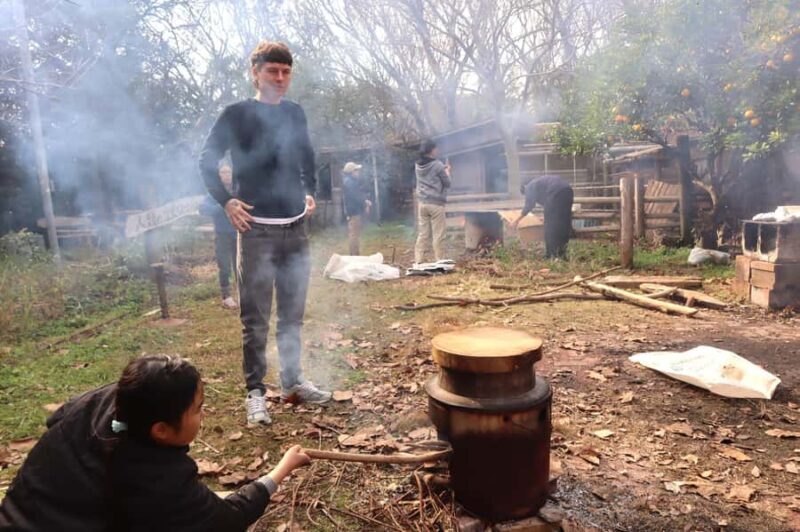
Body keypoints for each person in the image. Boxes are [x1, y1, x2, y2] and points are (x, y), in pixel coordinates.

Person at [0, 355, 311, 532]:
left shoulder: (109, 399)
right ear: (161, 430)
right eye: (199, 408)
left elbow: (55, 421)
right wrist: (280, 471)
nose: (205, 414)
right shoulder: (157, 477)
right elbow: (224, 520)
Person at [199, 41, 331, 426]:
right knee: (255, 318)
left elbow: (307, 157)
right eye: (272, 71)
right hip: (256, 231)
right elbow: (207, 159)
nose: (279, 78)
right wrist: (226, 201)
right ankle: (255, 393)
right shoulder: (236, 114)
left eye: (286, 72)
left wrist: (310, 190)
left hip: (296, 229)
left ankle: (292, 382)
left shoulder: (295, 113)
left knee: (292, 315)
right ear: (255, 72)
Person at [199, 164, 238, 309]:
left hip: (238, 232)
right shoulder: (214, 193)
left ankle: (242, 293)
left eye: (229, 172)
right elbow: (202, 209)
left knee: (239, 265)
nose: (227, 175)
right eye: (223, 172)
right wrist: (222, 206)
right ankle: (226, 296)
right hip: (222, 234)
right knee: (225, 266)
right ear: (219, 176)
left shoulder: (237, 191)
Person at [511, 175, 574, 259]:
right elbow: (551, 206)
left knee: (550, 226)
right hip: (568, 190)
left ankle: (551, 255)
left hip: (555, 192)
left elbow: (529, 205)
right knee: (563, 223)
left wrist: (516, 220)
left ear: (524, 188)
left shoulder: (529, 186)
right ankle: (562, 254)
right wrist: (546, 216)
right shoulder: (541, 184)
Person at [414, 139, 451, 265]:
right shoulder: (437, 165)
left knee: (423, 234)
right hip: (435, 203)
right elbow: (447, 183)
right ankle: (440, 260)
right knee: (438, 234)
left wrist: (442, 170)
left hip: (422, 204)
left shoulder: (418, 165)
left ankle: (418, 260)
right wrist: (447, 172)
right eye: (436, 148)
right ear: (432, 150)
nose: (437, 150)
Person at [341, 161, 372, 255]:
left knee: (355, 234)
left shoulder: (350, 181)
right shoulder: (349, 182)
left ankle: (355, 254)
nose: (358, 172)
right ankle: (354, 255)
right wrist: (365, 202)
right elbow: (355, 196)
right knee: (354, 235)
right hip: (353, 212)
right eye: (356, 170)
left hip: (354, 211)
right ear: (351, 172)